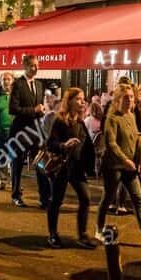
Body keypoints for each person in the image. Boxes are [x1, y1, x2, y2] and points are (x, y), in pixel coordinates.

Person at [96, 83, 141, 245]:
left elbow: (134, 135)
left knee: (138, 198)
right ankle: (98, 230)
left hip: (129, 167)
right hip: (113, 166)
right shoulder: (112, 118)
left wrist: (140, 143)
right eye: (126, 97)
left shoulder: (131, 116)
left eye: (131, 97)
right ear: (117, 100)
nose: (130, 100)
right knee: (107, 198)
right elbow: (112, 144)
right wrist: (126, 160)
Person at [45, 88, 98, 249]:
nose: (83, 102)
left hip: (76, 168)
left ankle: (82, 235)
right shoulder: (60, 120)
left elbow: (87, 146)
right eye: (79, 99)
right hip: (62, 167)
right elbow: (50, 143)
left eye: (83, 99)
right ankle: (53, 234)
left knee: (85, 198)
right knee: (56, 201)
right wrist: (64, 145)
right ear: (70, 101)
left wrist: (92, 165)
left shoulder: (81, 121)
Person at [9, 55, 48, 208]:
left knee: (40, 164)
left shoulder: (39, 84)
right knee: (17, 165)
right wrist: (34, 110)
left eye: (37, 65)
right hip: (20, 132)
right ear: (24, 66)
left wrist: (41, 111)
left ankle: (44, 198)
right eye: (32, 65)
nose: (36, 68)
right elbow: (13, 109)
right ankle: (16, 195)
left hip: (36, 131)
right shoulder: (17, 84)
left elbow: (40, 106)